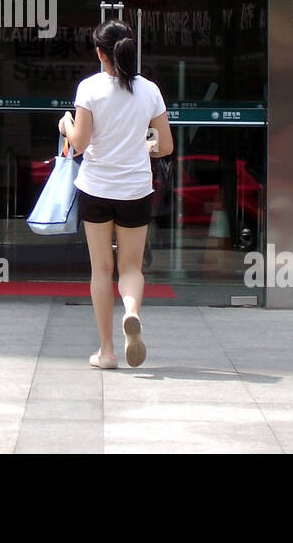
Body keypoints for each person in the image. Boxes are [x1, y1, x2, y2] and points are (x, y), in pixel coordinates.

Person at [59, 19, 173, 369]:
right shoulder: (150, 91)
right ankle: (132, 312)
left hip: (96, 189)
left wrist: (64, 124)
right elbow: (165, 146)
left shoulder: (89, 89)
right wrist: (141, 147)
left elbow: (77, 145)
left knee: (101, 269)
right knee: (130, 267)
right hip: (136, 190)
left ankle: (107, 351)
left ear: (100, 53)